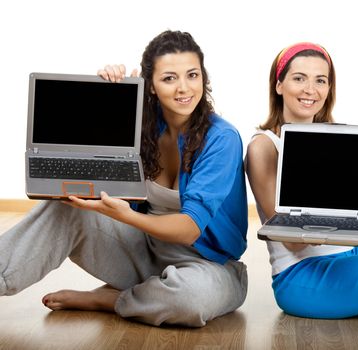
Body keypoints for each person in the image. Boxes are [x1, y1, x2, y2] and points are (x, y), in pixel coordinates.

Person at [0, 30, 248, 327]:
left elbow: (189, 229)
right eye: (169, 78)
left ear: (203, 78)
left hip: (209, 267)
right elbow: (91, 135)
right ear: (152, 86)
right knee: (66, 207)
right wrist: (112, 90)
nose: (184, 88)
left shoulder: (222, 138)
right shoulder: (143, 121)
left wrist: (125, 216)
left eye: (192, 75)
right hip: (143, 253)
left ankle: (110, 299)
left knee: (190, 300)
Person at [245, 42, 358, 319]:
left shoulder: (331, 141)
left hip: (352, 253)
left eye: (320, 80)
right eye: (299, 78)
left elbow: (347, 220)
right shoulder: (264, 146)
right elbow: (293, 242)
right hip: (305, 277)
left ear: (328, 88)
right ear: (279, 85)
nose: (310, 90)